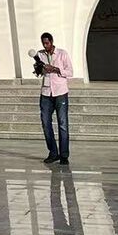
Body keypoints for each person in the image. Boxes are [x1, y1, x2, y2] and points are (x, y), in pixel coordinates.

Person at [36, 32, 73, 165]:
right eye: (43, 43)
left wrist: (56, 69)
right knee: (46, 123)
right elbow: (39, 73)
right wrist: (39, 69)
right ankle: (53, 152)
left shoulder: (62, 54)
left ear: (52, 42)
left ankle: (64, 155)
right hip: (46, 92)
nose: (45, 46)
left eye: (47, 43)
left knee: (62, 124)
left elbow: (70, 72)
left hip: (60, 92)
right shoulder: (40, 55)